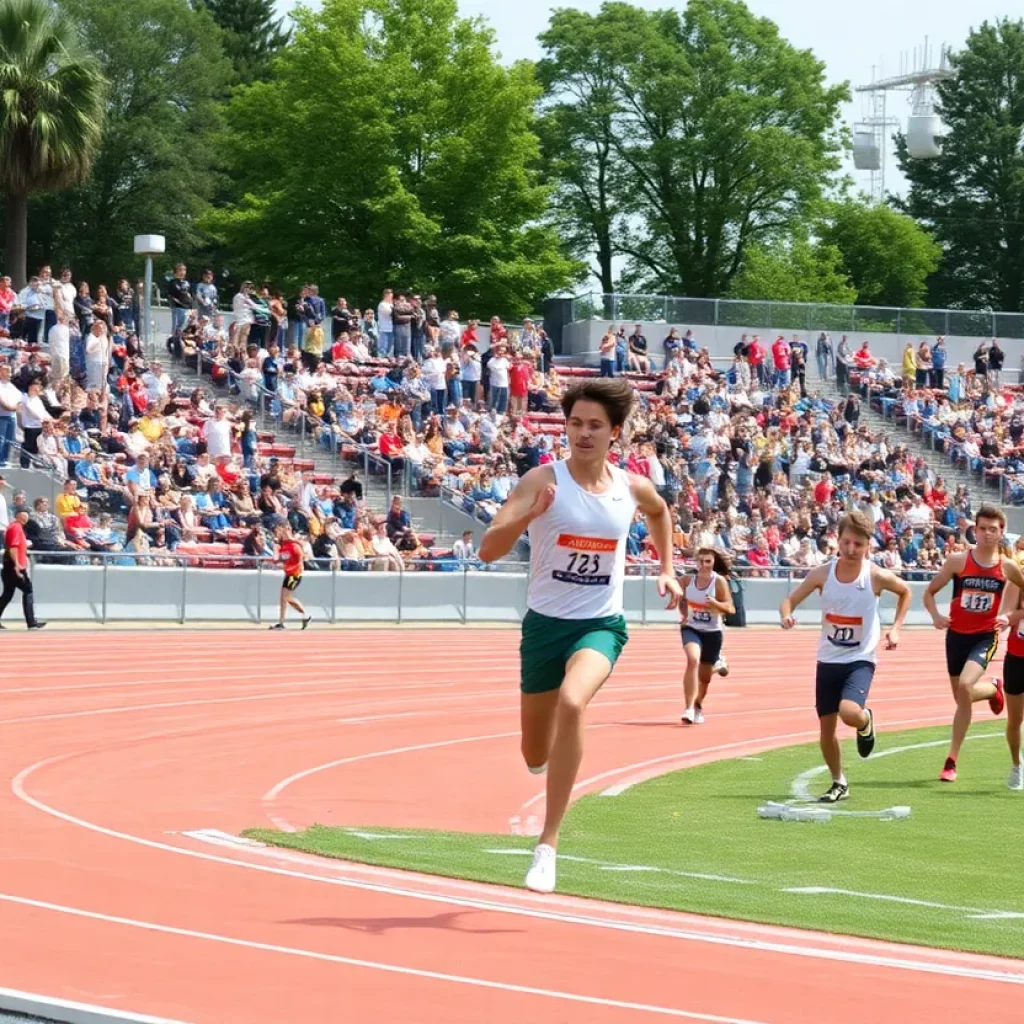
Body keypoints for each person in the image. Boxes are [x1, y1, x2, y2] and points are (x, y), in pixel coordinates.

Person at [478, 378, 683, 894]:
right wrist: (532, 514)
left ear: (615, 433)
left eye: (595, 425)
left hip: (600, 625)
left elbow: (660, 512)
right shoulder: (542, 480)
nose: (583, 433)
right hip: (544, 626)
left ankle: (547, 844)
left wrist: (666, 568)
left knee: (574, 701)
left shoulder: (631, 487)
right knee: (532, 755)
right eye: (575, 424)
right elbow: (487, 550)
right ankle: (544, 760)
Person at [779, 511, 911, 802]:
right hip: (828, 659)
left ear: (868, 546)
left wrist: (896, 628)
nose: (851, 550)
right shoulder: (822, 574)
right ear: (837, 541)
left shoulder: (874, 575)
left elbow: (905, 591)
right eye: (846, 543)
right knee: (826, 730)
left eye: (859, 545)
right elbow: (789, 600)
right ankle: (839, 782)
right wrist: (787, 617)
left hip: (860, 658)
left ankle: (865, 721)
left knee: (849, 712)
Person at [924, 505, 1024, 782]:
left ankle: (951, 760)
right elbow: (929, 593)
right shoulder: (958, 562)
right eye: (983, 529)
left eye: (994, 529)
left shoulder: (1008, 567)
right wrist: (935, 615)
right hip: (956, 636)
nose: (988, 534)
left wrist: (1010, 616)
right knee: (961, 696)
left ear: (1001, 532)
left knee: (966, 687)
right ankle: (993, 689)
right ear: (975, 530)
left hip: (985, 636)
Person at [678, 547, 735, 724]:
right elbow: (680, 597)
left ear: (713, 563)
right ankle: (688, 708)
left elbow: (731, 609)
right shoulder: (687, 580)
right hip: (692, 628)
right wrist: (684, 614)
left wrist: (716, 604)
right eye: (700, 561)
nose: (703, 565)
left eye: (708, 561)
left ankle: (697, 705)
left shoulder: (718, 582)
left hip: (712, 632)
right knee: (692, 659)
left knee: (704, 678)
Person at [0, 509, 45, 630]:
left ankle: (31, 622)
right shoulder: (16, 528)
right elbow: (13, 547)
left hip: (10, 565)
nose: (26, 518)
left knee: (7, 594)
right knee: (28, 590)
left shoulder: (15, 528)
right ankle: (31, 622)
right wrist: (17, 565)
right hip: (14, 566)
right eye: (23, 516)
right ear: (18, 516)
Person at [999, 581, 1024, 791]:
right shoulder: (1018, 582)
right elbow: (1005, 619)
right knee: (1015, 719)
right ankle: (1017, 764)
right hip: (1017, 659)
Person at [270, 525, 311, 631]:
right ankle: (283, 622)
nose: (279, 535)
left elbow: (300, 558)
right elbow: (276, 559)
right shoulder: (282, 546)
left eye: (283, 532)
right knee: (284, 598)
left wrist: (288, 566)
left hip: (295, 574)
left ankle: (304, 615)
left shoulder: (293, 545)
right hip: (289, 574)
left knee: (286, 597)